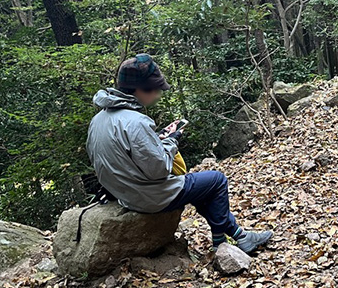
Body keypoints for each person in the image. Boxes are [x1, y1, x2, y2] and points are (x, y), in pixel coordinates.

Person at [86, 54, 273, 253]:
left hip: (126, 194)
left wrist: (156, 141)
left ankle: (239, 236)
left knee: (202, 187)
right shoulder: (135, 122)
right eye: (155, 89)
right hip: (150, 196)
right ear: (139, 89)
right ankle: (221, 244)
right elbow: (159, 170)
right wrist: (172, 140)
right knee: (216, 180)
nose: (157, 95)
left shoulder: (98, 120)